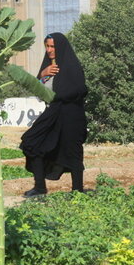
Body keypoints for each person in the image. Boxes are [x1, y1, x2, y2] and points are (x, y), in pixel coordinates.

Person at [19, 33, 88, 197]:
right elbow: (38, 91)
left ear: (60, 47)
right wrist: (42, 76)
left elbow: (79, 90)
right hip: (52, 113)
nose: (49, 50)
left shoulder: (72, 66)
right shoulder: (47, 68)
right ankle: (40, 187)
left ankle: (77, 191)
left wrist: (56, 95)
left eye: (52, 46)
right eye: (47, 46)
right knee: (32, 142)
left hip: (71, 115)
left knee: (72, 151)